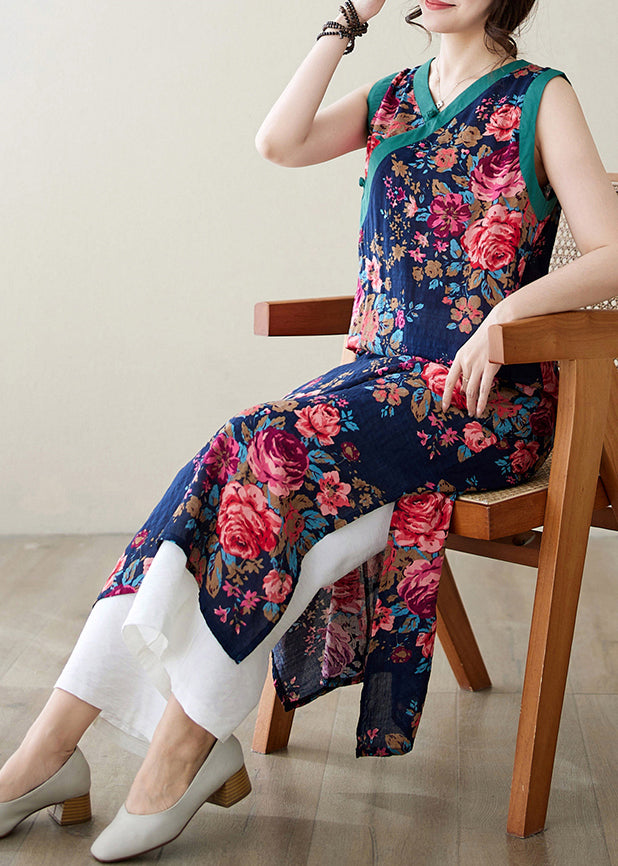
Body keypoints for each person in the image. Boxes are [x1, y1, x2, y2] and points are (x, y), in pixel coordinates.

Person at [1, 0, 617, 861]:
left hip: (484, 402)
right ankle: (52, 748)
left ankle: (179, 748)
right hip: (376, 387)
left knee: (278, 452)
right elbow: (279, 142)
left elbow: (612, 250)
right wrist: (345, 19)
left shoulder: (540, 96)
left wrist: (503, 317)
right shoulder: (392, 97)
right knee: (240, 445)